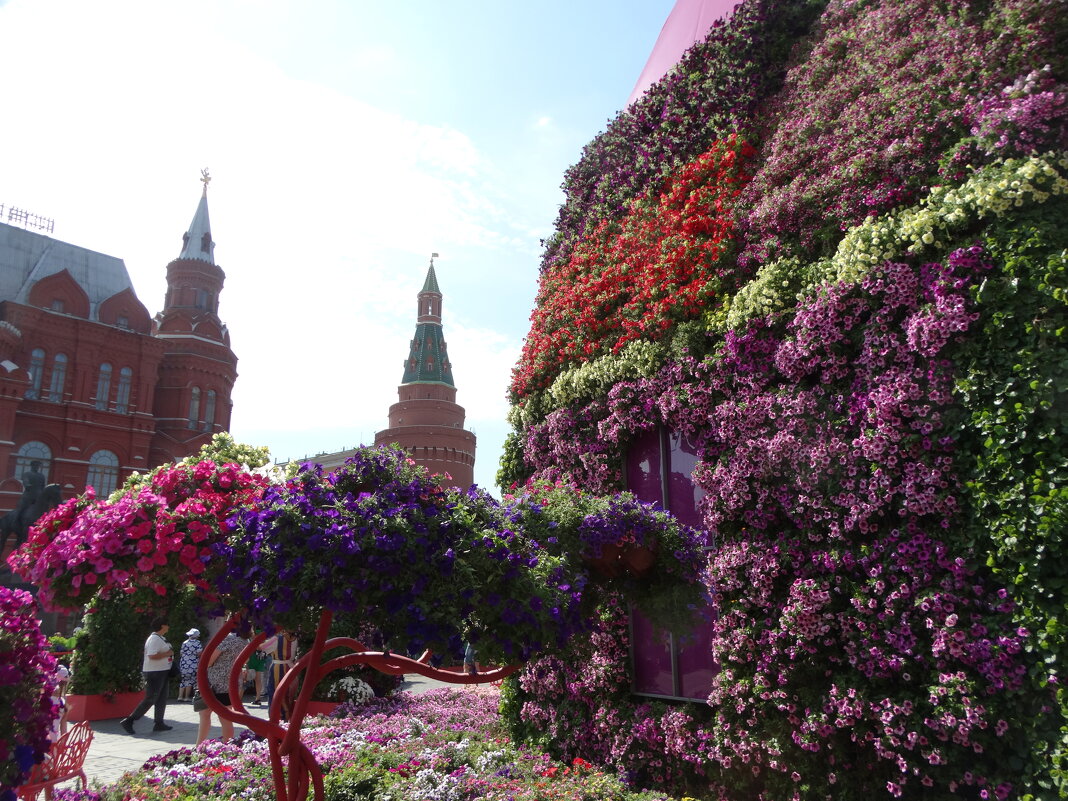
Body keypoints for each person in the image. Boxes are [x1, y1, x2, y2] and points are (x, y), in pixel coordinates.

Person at [120, 617, 174, 735]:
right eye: (167, 624)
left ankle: (159, 723)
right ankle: (130, 720)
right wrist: (167, 654)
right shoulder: (154, 639)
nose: (168, 627)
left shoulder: (160, 638)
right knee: (151, 697)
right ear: (162, 626)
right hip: (155, 672)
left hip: (163, 670)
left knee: (161, 698)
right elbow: (151, 655)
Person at [195, 630, 248, 745]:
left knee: (205, 714)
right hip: (231, 683)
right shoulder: (245, 641)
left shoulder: (227, 638)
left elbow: (209, 661)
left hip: (215, 683)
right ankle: (227, 746)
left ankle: (199, 746)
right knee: (225, 717)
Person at [177, 628, 202, 702]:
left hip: (184, 662)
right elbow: (199, 653)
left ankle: (180, 696)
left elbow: (181, 653)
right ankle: (186, 697)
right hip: (193, 662)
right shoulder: (197, 643)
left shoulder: (185, 642)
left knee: (183, 679)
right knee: (191, 679)